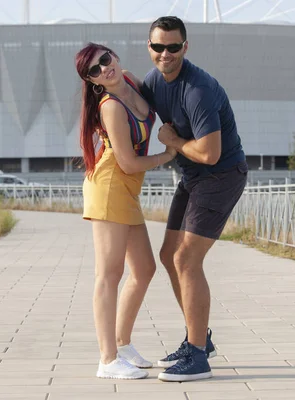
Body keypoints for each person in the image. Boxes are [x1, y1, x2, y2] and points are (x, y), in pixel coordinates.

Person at [141, 16, 249, 382]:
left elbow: (210, 153)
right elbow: (129, 103)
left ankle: (199, 356)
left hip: (220, 175)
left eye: (173, 47)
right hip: (191, 177)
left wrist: (172, 143)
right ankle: (198, 338)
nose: (165, 54)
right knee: (168, 255)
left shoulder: (197, 88)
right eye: (159, 47)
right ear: (150, 48)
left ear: (185, 48)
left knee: (186, 259)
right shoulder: (155, 81)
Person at [74, 42, 177, 380]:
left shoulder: (132, 80)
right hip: (109, 188)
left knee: (145, 269)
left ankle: (122, 343)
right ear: (93, 81)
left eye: (106, 59)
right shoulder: (110, 107)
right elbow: (129, 163)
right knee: (109, 274)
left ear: (114, 56)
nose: (105, 68)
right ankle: (107, 360)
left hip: (127, 191)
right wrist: (168, 153)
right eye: (95, 70)